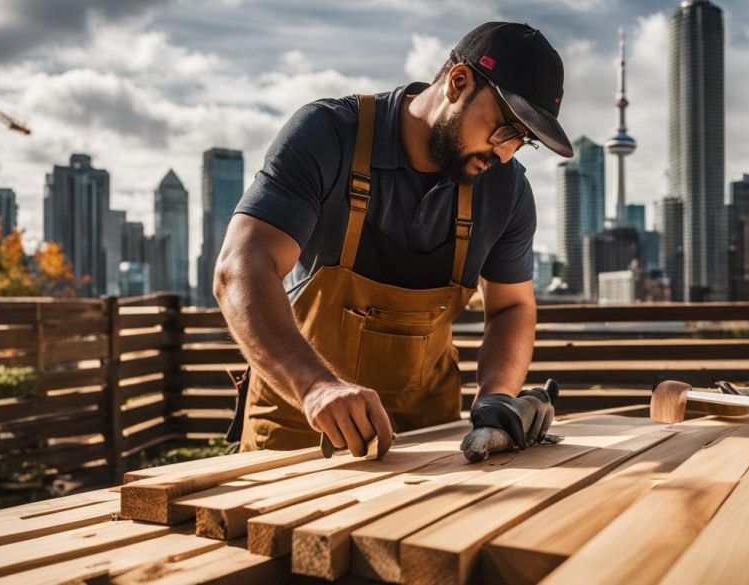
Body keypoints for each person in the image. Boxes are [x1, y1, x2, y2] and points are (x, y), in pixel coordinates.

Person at [214, 22, 574, 457]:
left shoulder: (506, 190)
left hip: (427, 440)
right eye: (505, 128)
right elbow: (240, 268)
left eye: (523, 140)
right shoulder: (328, 135)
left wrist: (496, 398)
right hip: (299, 429)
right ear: (458, 82)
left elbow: (511, 306)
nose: (505, 153)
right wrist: (316, 388)